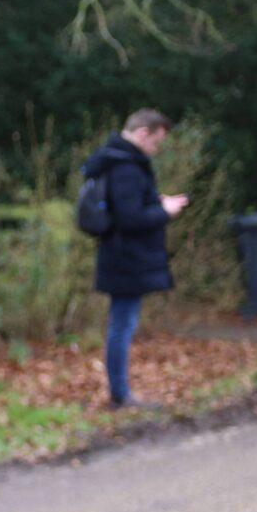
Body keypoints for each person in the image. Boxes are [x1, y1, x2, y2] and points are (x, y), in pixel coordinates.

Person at [83, 110, 188, 408]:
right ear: (142, 133)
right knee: (122, 325)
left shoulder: (116, 162)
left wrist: (156, 202)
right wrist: (164, 212)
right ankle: (120, 394)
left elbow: (125, 208)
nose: (156, 149)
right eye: (156, 142)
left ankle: (120, 391)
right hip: (126, 259)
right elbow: (130, 219)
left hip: (121, 256)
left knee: (123, 322)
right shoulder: (126, 168)